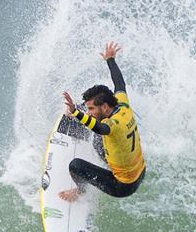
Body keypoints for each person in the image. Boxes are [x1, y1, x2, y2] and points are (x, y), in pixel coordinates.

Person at [58, 41, 145, 202]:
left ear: (105, 107)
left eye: (91, 108)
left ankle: (80, 191)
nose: (89, 111)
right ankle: (76, 131)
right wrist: (110, 60)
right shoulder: (122, 104)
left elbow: (100, 128)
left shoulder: (113, 125)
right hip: (140, 170)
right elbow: (119, 83)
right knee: (96, 138)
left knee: (75, 166)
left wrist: (76, 112)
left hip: (123, 186)